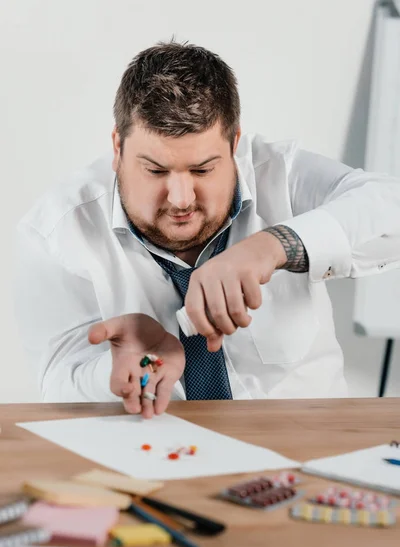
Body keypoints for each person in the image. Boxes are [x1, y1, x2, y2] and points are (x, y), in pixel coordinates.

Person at [14, 41, 400, 418]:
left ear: (234, 144)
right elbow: (58, 382)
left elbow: (389, 206)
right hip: (155, 457)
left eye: (202, 170)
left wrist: (274, 245)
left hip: (309, 446)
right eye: (155, 170)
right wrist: (117, 371)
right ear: (118, 148)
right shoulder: (54, 232)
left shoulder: (280, 173)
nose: (181, 199)